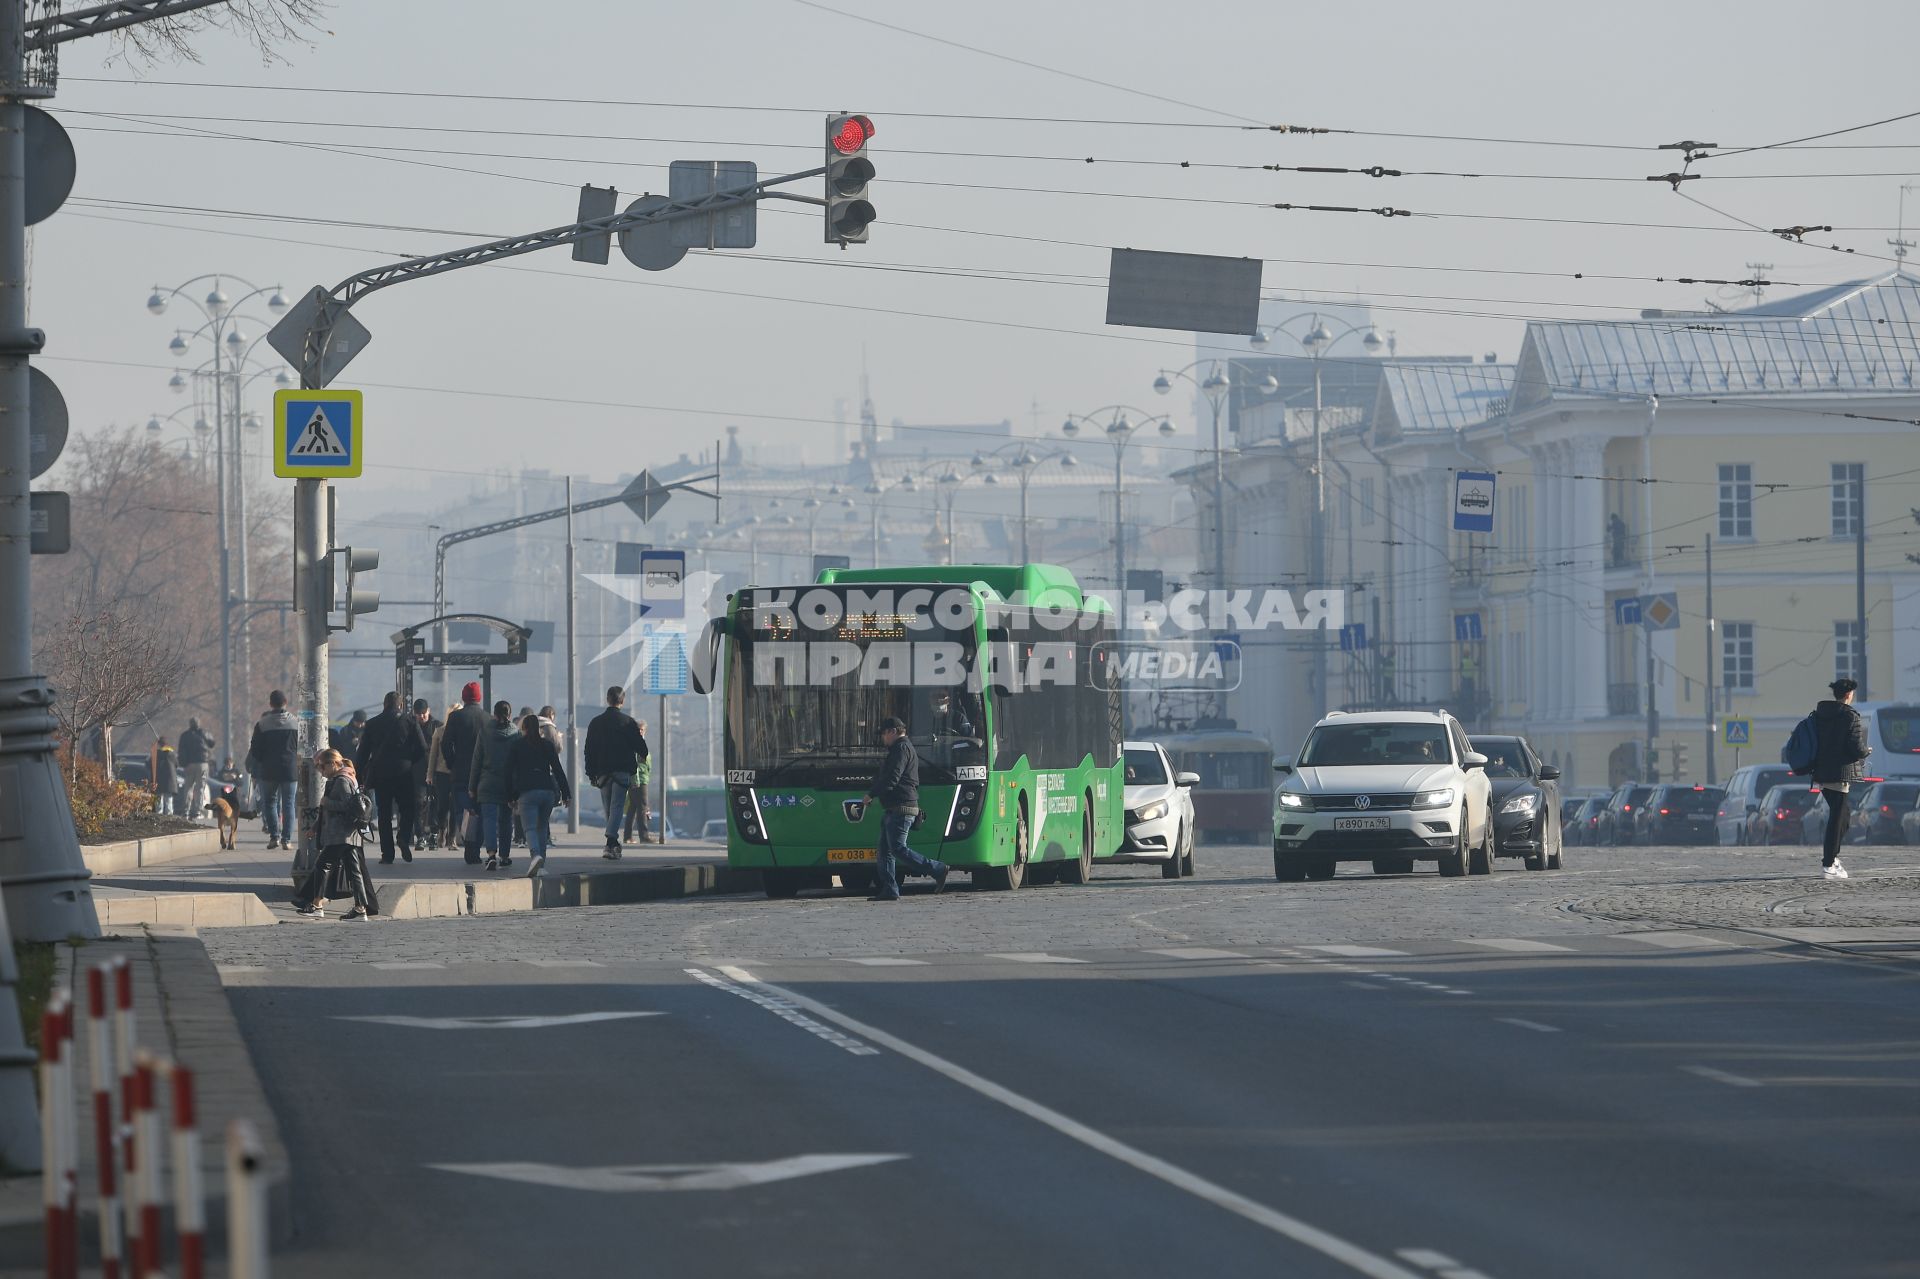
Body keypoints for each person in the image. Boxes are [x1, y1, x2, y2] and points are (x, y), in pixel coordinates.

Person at [864, 716, 949, 902]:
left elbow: (892, 778)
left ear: (893, 731)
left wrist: (871, 794)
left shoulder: (901, 748)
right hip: (894, 808)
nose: (883, 739)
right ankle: (890, 889)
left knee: (898, 849)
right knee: (885, 851)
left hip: (901, 807)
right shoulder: (901, 748)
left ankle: (937, 869)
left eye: (884, 734)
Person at [292, 750, 379, 921]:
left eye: (322, 766)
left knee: (322, 865)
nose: (321, 771)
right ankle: (361, 909)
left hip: (340, 834)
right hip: (350, 834)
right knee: (355, 872)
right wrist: (316, 827)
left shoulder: (341, 781)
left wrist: (326, 802)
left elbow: (346, 805)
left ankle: (317, 906)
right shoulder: (349, 777)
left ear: (332, 764)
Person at [1809, 676, 1872, 881]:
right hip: (1840, 772)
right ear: (1848, 694)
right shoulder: (1850, 716)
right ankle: (1828, 863)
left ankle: (1832, 858)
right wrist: (1866, 751)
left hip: (1821, 772)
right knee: (1838, 818)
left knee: (1843, 815)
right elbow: (1855, 746)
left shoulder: (1821, 714)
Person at [356, 691, 428, 865]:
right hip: (404, 773)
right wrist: (409, 761)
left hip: (381, 774)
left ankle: (387, 854)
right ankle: (403, 837)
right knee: (407, 808)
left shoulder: (372, 724)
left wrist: (359, 775)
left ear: (384, 704)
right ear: (401, 705)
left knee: (384, 813)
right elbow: (422, 748)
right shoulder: (410, 722)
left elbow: (363, 753)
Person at [585, 686, 648, 859]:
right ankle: (610, 842)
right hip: (621, 771)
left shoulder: (596, 722)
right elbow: (642, 748)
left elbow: (588, 750)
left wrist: (590, 773)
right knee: (617, 807)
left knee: (609, 809)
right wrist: (640, 756)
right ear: (623, 701)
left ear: (607, 699)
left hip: (602, 772)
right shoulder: (628, 722)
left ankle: (612, 843)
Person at [507, 713, 570, 879]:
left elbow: (510, 773)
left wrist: (510, 796)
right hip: (547, 792)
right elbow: (557, 769)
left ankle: (535, 855)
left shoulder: (517, 745)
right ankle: (542, 865)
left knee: (529, 828)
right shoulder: (547, 745)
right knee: (542, 827)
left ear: (524, 728)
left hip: (527, 792)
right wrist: (566, 793)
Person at [440, 683, 491, 864]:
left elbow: (445, 744)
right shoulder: (488, 718)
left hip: (460, 774)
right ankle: (475, 847)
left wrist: (452, 763)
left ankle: (470, 847)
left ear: (464, 698)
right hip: (483, 775)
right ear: (479, 698)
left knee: (465, 812)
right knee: (481, 811)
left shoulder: (455, 717)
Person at [245, 691, 302, 850]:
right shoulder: (296, 723)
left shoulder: (262, 724)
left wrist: (261, 761)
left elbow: (255, 749)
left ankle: (274, 837)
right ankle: (287, 839)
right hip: (290, 770)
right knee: (289, 804)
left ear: (270, 704)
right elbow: (302, 747)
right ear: (286, 702)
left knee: (269, 803)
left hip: (268, 770)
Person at [469, 700, 520, 872]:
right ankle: (504, 856)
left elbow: (476, 761)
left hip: (487, 783)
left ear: (494, 714)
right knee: (506, 821)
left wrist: (472, 786)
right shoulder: (516, 734)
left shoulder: (485, 732)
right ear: (510, 715)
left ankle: (491, 855)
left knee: (489, 819)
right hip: (508, 785)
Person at [411, 699, 439, 848]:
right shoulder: (411, 726)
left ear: (428, 711)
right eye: (418, 714)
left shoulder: (436, 726)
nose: (421, 717)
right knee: (418, 803)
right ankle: (420, 835)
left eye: (423, 713)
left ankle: (434, 834)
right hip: (417, 770)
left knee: (435, 802)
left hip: (434, 770)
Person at [624, 719, 654, 845]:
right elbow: (634, 765)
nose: (640, 732)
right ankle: (644, 835)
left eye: (642, 730)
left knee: (633, 808)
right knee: (642, 807)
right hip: (638, 781)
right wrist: (635, 781)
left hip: (641, 779)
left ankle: (628, 836)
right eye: (638, 730)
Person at [177, 717, 214, 819]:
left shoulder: (185, 735)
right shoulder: (204, 733)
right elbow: (212, 743)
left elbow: (180, 751)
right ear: (199, 724)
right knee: (200, 788)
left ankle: (186, 811)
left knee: (188, 787)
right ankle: (198, 811)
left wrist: (183, 764)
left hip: (189, 765)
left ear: (190, 724)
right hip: (202, 764)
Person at [151, 737, 178, 816]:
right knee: (168, 800)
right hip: (170, 781)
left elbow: (149, 764)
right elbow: (176, 765)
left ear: (159, 745)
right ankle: (169, 817)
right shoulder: (172, 754)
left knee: (159, 801)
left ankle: (159, 815)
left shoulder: (156, 754)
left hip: (159, 780)